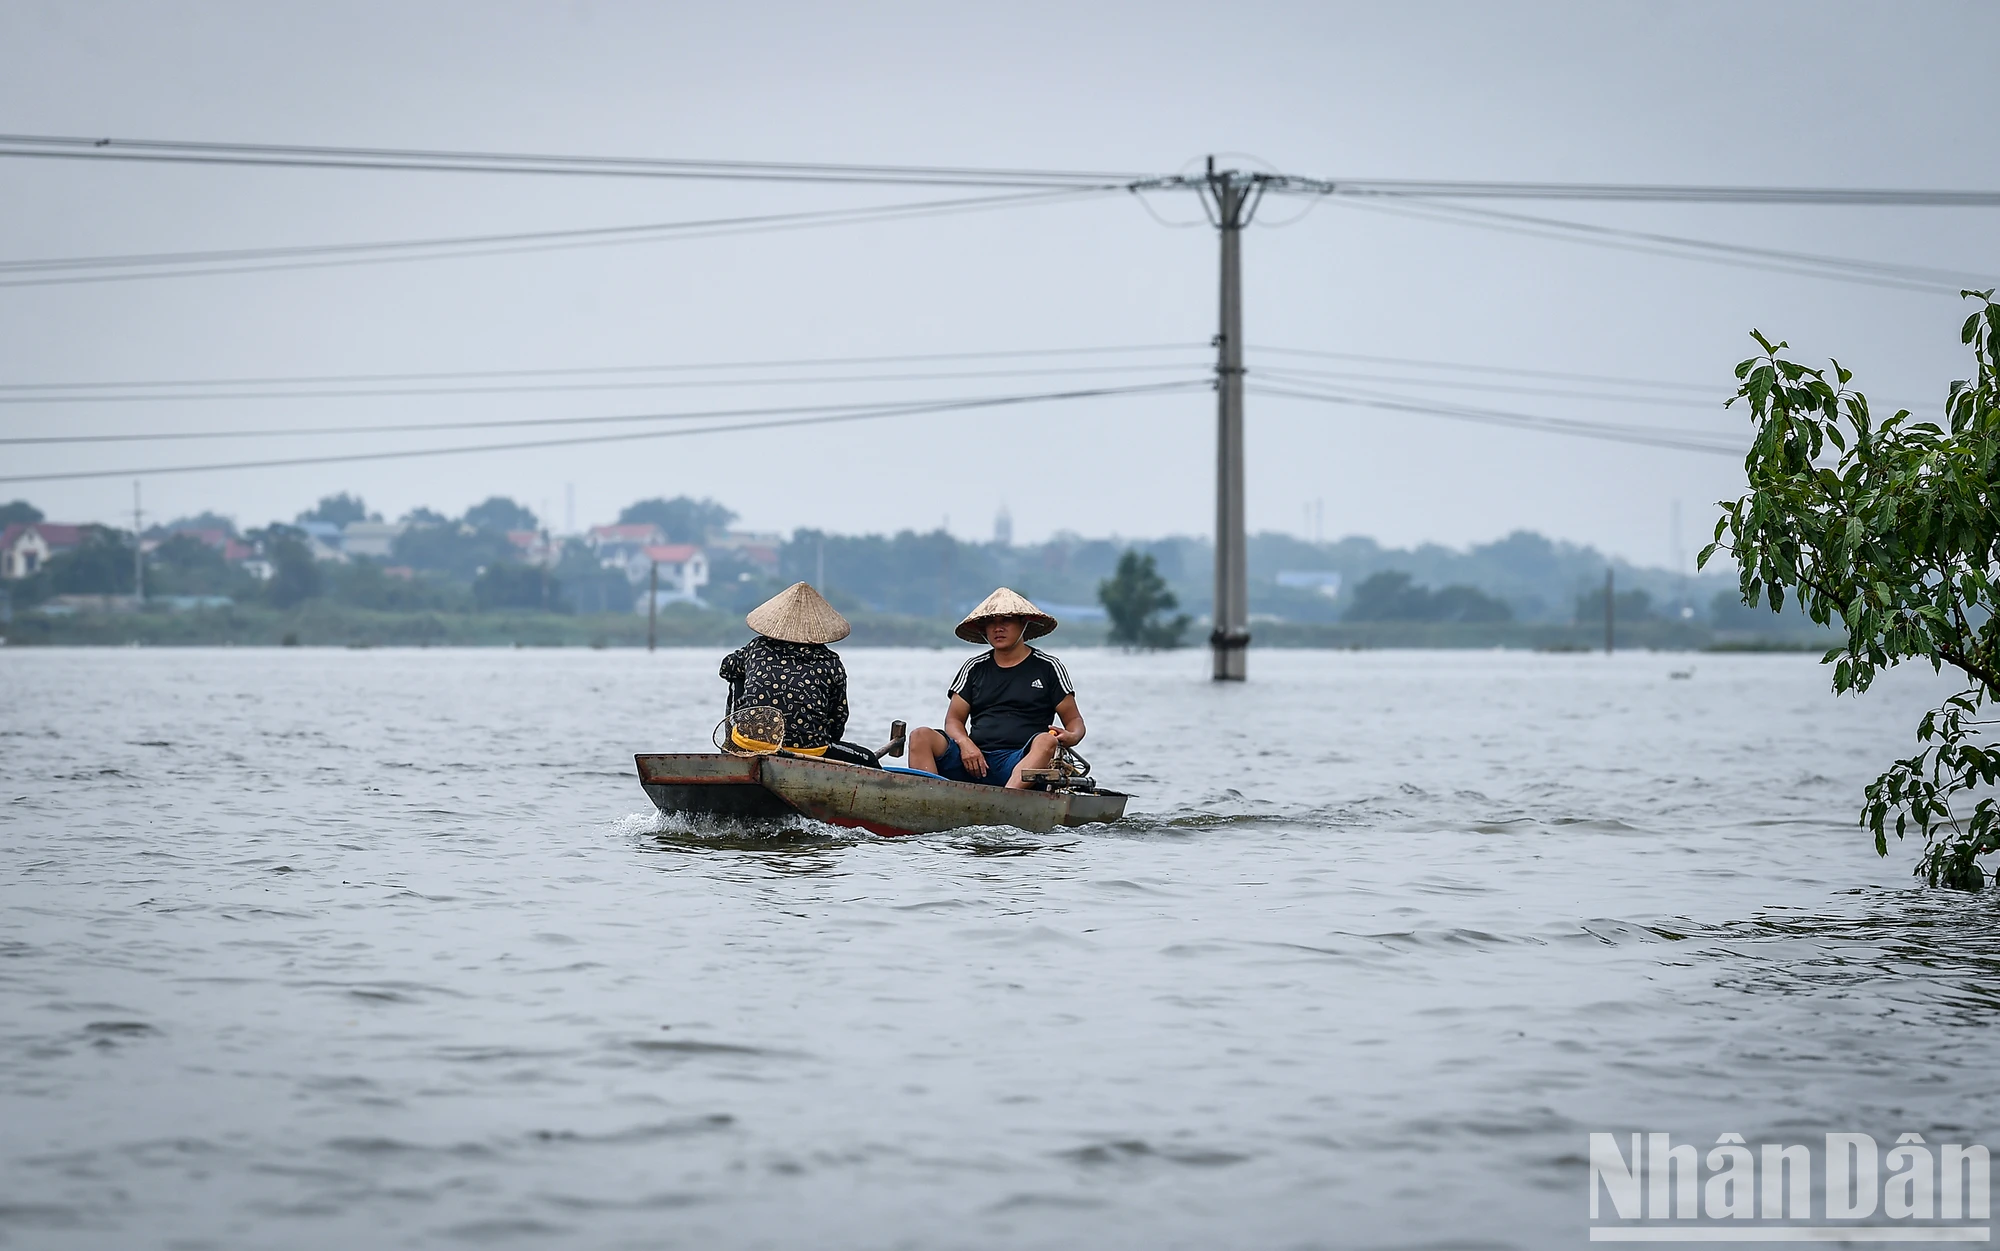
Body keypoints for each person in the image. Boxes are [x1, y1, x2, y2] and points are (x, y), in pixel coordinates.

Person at [908, 587, 1085, 789]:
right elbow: (954, 720)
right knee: (920, 736)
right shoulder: (974, 668)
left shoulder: (1048, 667)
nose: (998, 628)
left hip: (1020, 761)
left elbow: (1075, 721)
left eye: (1006, 620)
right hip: (974, 760)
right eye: (991, 622)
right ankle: (930, 801)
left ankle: (1007, 801)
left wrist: (1072, 736)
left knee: (1046, 741)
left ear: (1023, 624)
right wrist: (966, 744)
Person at [717, 582, 849, 755]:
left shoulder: (757, 647)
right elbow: (839, 716)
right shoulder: (831, 662)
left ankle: (733, 748)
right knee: (868, 759)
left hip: (751, 743)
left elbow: (726, 668)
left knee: (736, 675)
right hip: (811, 749)